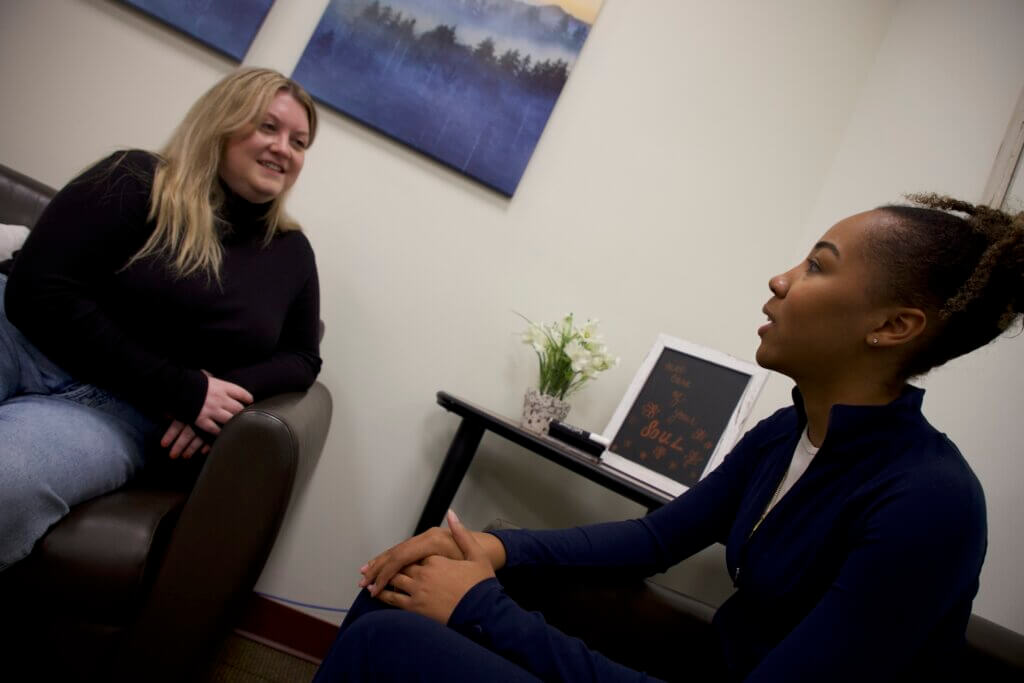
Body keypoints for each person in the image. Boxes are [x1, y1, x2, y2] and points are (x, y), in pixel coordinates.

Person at [314, 197, 1023, 681]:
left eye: (817, 265)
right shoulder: (787, 433)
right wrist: (493, 549)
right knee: (404, 582)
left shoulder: (930, 503)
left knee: (389, 639)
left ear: (893, 326)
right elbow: (654, 539)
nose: (780, 279)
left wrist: (479, 606)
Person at [0, 67, 321, 571]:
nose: (284, 148)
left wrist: (223, 399)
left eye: (299, 142)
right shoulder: (133, 179)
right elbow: (36, 290)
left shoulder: (292, 253)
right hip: (20, 341)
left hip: (118, 414)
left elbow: (302, 357)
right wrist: (184, 390)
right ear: (222, 122)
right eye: (268, 127)